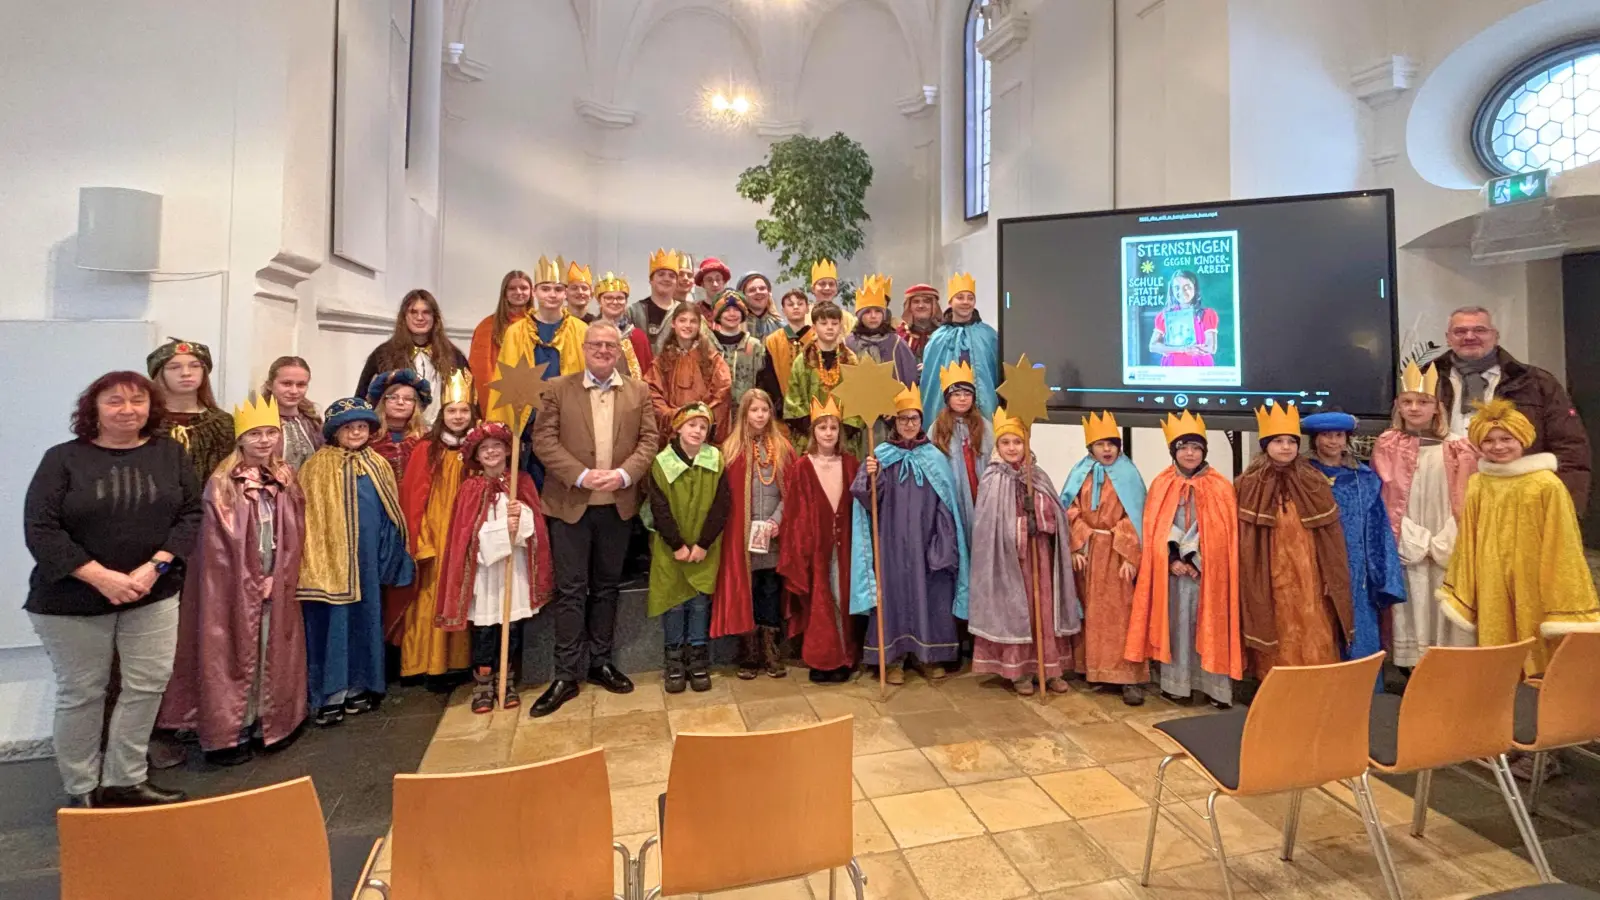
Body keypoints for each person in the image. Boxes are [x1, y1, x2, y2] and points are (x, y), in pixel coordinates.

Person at [24, 371, 201, 807]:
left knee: (146, 686)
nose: (128, 410)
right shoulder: (63, 459)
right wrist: (99, 576)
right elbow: (41, 529)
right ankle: (81, 788)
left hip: (152, 593)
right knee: (83, 692)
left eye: (137, 401)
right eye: (115, 401)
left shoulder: (170, 454)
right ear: (94, 409)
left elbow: (192, 515)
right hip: (71, 600)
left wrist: (153, 569)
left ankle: (125, 779)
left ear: (151, 407)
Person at [157, 392, 306, 765]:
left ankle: (269, 724)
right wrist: (252, 580)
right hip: (234, 582)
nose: (264, 441)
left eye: (270, 433)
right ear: (240, 438)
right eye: (255, 434)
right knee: (236, 652)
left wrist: (279, 575)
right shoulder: (223, 484)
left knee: (273, 648)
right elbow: (217, 546)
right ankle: (230, 732)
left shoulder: (285, 475)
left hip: (277, 575)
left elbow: (296, 531)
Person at [530, 321, 660, 716]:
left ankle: (600, 662)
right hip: (571, 504)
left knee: (606, 587)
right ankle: (566, 674)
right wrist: (582, 475)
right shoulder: (557, 389)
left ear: (619, 350)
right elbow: (543, 441)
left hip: (617, 504)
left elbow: (649, 440)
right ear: (584, 349)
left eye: (610, 344)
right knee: (571, 590)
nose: (604, 350)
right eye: (596, 344)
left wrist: (624, 475)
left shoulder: (638, 391)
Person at [1439, 399, 1600, 675]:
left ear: (1522, 439)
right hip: (1491, 575)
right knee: (1497, 640)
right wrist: (1468, 578)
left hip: (1534, 574)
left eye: (1506, 438)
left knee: (1534, 637)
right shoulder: (1479, 482)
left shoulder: (1545, 484)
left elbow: (1564, 541)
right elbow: (1469, 536)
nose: (1498, 446)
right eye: (1488, 441)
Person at [296, 398, 415, 726]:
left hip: (366, 562)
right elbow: (309, 517)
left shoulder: (377, 463)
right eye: (349, 427)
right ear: (336, 432)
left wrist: (389, 550)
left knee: (366, 620)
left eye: (361, 427)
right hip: (332, 562)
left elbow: (391, 511)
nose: (356, 432)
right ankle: (331, 693)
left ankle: (361, 686)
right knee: (333, 624)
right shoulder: (318, 466)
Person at [850, 387, 968, 684]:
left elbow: (946, 502)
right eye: (902, 419)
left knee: (931, 595)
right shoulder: (881, 455)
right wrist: (870, 476)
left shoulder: (934, 457)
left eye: (913, 419)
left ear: (920, 420)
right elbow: (866, 501)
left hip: (927, 541)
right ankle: (894, 660)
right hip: (891, 544)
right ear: (894, 423)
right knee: (894, 597)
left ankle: (928, 657)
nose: (908, 424)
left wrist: (944, 541)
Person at [436, 422, 554, 713]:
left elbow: (535, 527)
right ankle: (484, 682)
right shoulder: (470, 488)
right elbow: (466, 534)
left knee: (512, 627)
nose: (491, 453)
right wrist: (503, 528)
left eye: (497, 447)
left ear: (506, 452)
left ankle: (507, 678)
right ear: (477, 454)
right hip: (486, 572)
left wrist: (522, 515)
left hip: (514, 571)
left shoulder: (521, 482)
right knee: (486, 630)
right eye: (485, 449)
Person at [1127, 412, 1240, 708]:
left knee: (1210, 625)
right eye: (1183, 447)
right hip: (1174, 574)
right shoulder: (1161, 483)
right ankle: (1177, 685)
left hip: (1207, 573)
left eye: (1196, 447)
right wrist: (1174, 558)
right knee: (1176, 626)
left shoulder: (1220, 486)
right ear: (1174, 452)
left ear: (1204, 451)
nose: (1190, 453)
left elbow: (1221, 530)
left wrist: (1197, 558)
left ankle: (1214, 687)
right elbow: (1156, 527)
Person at [1370, 361, 1478, 665]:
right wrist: (1408, 534)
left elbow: (1468, 494)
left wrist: (1448, 534)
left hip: (1447, 532)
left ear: (1437, 407)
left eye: (1423, 402)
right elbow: (1385, 494)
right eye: (1407, 402)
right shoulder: (1388, 444)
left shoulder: (1459, 447)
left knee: (1443, 592)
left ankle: (1448, 659)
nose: (1415, 408)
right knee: (1413, 590)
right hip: (1408, 532)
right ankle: (1411, 661)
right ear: (1398, 407)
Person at [1430, 306, 1590, 507]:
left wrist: (1565, 508)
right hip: (1441, 495)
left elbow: (1570, 447)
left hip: (1518, 496)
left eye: (1480, 330)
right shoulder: (1426, 379)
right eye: (1460, 331)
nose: (1469, 336)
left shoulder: (1536, 382)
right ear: (1448, 338)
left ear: (1495, 336)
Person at [969, 408, 1081, 695]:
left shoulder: (1037, 475)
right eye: (1005, 443)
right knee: (1017, 612)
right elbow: (987, 525)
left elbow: (1057, 514)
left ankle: (1049, 669)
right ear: (998, 446)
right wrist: (1021, 524)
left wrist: (1039, 513)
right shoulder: (992, 478)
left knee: (1043, 609)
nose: (1012, 448)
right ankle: (1019, 672)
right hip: (1009, 562)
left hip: (1040, 557)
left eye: (1017, 442)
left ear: (1026, 444)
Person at [1237, 403, 1354, 676]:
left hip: (1309, 570)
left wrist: (1329, 572)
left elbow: (1330, 534)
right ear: (1266, 444)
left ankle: (1317, 681)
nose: (1286, 447)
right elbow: (1245, 538)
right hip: (1270, 567)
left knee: (1314, 620)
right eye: (1278, 441)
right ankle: (1276, 683)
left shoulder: (1312, 478)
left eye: (1291, 441)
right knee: (1277, 620)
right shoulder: (1249, 483)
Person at [1303, 411, 1406, 664]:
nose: (1332, 441)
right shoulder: (1302, 476)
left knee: (1358, 623)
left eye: (1338, 435)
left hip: (1355, 567)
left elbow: (1377, 526)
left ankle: (1361, 685)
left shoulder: (1364, 478)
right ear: (1315, 439)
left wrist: (1382, 572)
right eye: (1326, 435)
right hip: (1314, 562)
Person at [1061, 411, 1149, 705]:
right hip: (1087, 554)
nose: (1107, 449)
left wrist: (1130, 556)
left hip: (1116, 555)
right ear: (1091, 447)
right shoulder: (1080, 473)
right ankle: (1092, 669)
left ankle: (1127, 676)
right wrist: (1076, 545)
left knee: (1119, 613)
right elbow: (1069, 509)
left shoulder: (1128, 474)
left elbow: (1136, 516)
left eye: (1112, 443)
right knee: (1088, 610)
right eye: (1100, 444)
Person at [394, 371, 476, 682]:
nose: (458, 417)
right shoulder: (425, 449)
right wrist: (422, 540)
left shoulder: (479, 450)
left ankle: (459, 662)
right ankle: (425, 663)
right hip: (436, 536)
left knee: (464, 592)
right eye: (452, 411)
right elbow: (414, 500)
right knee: (431, 595)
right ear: (442, 414)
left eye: (464, 410)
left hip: (467, 534)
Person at [647, 403, 731, 693]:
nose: (697, 431)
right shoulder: (662, 462)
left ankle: (697, 659)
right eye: (692, 424)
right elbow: (658, 507)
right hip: (673, 549)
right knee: (674, 603)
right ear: (679, 427)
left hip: (704, 548)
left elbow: (722, 504)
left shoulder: (715, 459)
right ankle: (674, 660)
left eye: (703, 426)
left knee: (698, 603)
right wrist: (678, 545)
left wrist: (703, 544)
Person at [713, 389, 795, 679]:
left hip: (773, 537)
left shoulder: (782, 447)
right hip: (741, 538)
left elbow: (792, 493)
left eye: (765, 410)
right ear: (744, 413)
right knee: (744, 590)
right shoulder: (731, 448)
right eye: (754, 410)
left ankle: (770, 649)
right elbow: (723, 496)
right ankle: (748, 651)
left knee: (770, 590)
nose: (760, 415)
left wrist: (776, 522)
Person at [779, 396, 860, 683]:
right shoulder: (803, 466)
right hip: (814, 547)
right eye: (822, 427)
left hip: (845, 545)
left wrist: (872, 477)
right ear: (813, 431)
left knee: (842, 597)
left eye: (833, 428)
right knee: (819, 599)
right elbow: (795, 510)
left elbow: (863, 502)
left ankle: (844, 656)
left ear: (841, 432)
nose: (828, 433)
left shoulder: (851, 464)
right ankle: (821, 659)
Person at [355, 289, 469, 425]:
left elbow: (467, 400)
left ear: (435, 317)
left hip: (441, 434)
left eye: (426, 312)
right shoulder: (384, 354)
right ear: (404, 317)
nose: (420, 318)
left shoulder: (453, 356)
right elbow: (363, 399)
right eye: (413, 312)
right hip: (398, 434)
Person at [147, 337, 236, 485]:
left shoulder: (222, 423)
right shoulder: (147, 422)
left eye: (195, 366)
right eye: (174, 367)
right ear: (160, 374)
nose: (186, 373)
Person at [783, 301, 865, 457]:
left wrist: (841, 432)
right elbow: (794, 401)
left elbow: (859, 399)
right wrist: (815, 431)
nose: (829, 327)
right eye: (823, 323)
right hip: (809, 437)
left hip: (844, 439)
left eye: (834, 323)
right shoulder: (803, 361)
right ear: (814, 327)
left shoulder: (851, 360)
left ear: (841, 326)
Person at [495, 255, 588, 386]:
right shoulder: (515, 332)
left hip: (567, 404)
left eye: (558, 289)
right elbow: (505, 381)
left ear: (565, 293)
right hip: (527, 404)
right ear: (534, 292)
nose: (552, 295)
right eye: (545, 289)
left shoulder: (581, 330)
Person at [919, 273, 1000, 421]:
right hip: (946, 410)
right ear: (950, 301)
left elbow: (996, 374)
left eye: (970, 298)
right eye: (960, 297)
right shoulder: (938, 338)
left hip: (983, 408)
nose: (965, 302)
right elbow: (931, 382)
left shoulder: (989, 335)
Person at [645, 303, 733, 439]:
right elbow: (652, 392)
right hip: (672, 431)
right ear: (673, 324)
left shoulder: (712, 359)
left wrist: (699, 416)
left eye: (693, 321)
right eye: (682, 320)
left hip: (702, 430)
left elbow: (722, 390)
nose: (688, 325)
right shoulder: (662, 361)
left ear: (699, 326)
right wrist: (674, 415)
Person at [929, 361, 993, 532]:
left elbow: (993, 458)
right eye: (957, 394)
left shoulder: (984, 426)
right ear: (948, 398)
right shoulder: (937, 427)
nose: (963, 398)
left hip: (979, 490)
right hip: (952, 491)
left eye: (967, 394)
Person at [468, 270, 534, 412]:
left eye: (523, 288)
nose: (518, 292)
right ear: (504, 292)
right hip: (500, 398)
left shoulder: (538, 324)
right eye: (512, 288)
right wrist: (489, 404)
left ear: (531, 292)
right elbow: (481, 370)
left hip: (533, 397)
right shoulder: (488, 326)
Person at [844, 274, 918, 386]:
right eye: (867, 312)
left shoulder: (896, 343)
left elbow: (909, 378)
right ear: (860, 316)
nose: (873, 316)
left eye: (878, 311)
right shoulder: (848, 343)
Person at [365, 368, 431, 486]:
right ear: (383, 402)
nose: (400, 402)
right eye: (393, 397)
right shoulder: (368, 437)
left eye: (408, 399)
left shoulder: (427, 438)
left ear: (416, 405)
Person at [757, 288, 815, 419]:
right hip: (783, 409)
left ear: (807, 308)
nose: (795, 307)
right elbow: (768, 376)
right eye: (790, 304)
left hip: (815, 408)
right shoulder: (773, 340)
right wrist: (778, 404)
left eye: (800, 304)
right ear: (783, 310)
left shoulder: (817, 338)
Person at [707, 290, 767, 412]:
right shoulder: (707, 344)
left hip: (745, 412)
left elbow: (762, 382)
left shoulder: (754, 345)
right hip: (713, 411)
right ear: (718, 314)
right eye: (726, 310)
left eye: (736, 310)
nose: (732, 314)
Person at [263, 356, 323, 469]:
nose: (294, 391)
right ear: (270, 385)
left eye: (301, 385)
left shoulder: (313, 423)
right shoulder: (258, 423)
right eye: (286, 384)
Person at [1148, 271, 1218, 367]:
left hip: (1200, 366)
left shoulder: (1207, 314)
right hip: (1172, 367)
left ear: (1195, 288)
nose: (1181, 292)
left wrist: (1167, 349)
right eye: (1177, 288)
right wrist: (1183, 349)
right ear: (1171, 290)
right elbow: (1153, 346)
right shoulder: (1164, 316)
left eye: (1187, 287)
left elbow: (1211, 347)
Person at [594, 271, 653, 378]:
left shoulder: (638, 337)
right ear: (599, 301)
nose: (615, 302)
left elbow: (648, 375)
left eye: (620, 298)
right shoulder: (588, 334)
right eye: (608, 298)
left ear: (626, 302)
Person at [629, 248, 688, 353]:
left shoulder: (685, 312)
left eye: (672, 276)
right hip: (640, 368)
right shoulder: (633, 312)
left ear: (676, 282)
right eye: (661, 274)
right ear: (651, 280)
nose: (666, 279)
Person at [896, 283, 942, 370]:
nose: (921, 306)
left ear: (934, 306)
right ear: (909, 307)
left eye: (927, 301)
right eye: (916, 302)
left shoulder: (945, 335)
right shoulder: (898, 337)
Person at [809, 258, 857, 330]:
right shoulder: (804, 316)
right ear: (813, 289)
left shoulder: (847, 319)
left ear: (836, 289)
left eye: (831, 284)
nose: (827, 288)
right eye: (822, 284)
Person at [739, 272, 783, 341]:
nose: (758, 292)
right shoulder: (735, 325)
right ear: (743, 296)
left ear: (769, 293)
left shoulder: (781, 325)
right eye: (752, 290)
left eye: (762, 288)